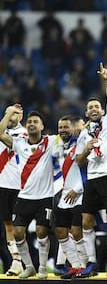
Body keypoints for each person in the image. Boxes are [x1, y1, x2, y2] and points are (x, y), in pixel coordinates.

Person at [75, 63, 107, 277]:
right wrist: (86, 149)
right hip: (92, 181)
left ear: (102, 110)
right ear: (86, 112)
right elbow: (79, 161)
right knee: (86, 221)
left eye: (97, 107)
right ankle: (92, 262)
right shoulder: (84, 133)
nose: (94, 109)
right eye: (90, 108)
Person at [0, 107, 57, 279]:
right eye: (30, 122)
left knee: (41, 232)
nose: (32, 125)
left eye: (35, 122)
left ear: (42, 126)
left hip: (45, 197)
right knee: (17, 232)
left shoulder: (51, 141)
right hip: (24, 196)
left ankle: (41, 267)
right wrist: (8, 112)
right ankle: (29, 266)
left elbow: (69, 135)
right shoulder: (19, 143)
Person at [53, 115, 88, 279]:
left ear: (73, 128)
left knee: (76, 231)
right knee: (60, 231)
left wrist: (78, 189)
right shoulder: (58, 147)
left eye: (66, 127)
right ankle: (74, 266)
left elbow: (89, 171)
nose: (63, 130)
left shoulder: (81, 144)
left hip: (80, 195)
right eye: (60, 128)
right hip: (64, 196)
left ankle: (85, 266)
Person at [0, 105, 26, 276]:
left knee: (19, 228)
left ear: (21, 116)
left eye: (15, 113)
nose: (10, 117)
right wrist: (8, 112)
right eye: (7, 113)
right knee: (8, 225)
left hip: (19, 185)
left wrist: (9, 112)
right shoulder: (2, 129)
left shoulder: (25, 134)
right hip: (2, 185)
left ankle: (30, 262)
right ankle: (16, 262)